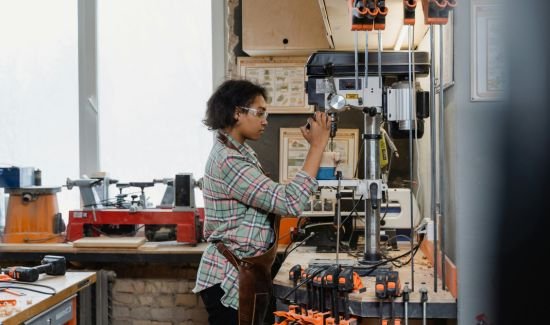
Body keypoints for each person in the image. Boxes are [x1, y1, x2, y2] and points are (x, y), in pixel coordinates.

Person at [192, 79, 331, 324]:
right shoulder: (229, 161)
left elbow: (276, 198)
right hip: (229, 280)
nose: (265, 120)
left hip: (245, 273)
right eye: (260, 113)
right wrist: (318, 146)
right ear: (237, 112)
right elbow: (290, 202)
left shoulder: (241, 152)